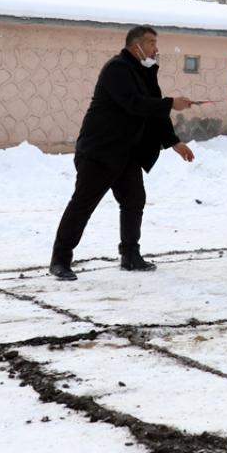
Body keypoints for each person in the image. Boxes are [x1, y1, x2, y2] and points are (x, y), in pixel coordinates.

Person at [48, 25, 196, 281]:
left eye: (155, 43)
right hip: (100, 151)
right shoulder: (116, 69)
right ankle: (60, 260)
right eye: (151, 42)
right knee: (83, 205)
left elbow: (154, 112)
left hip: (127, 152)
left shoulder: (146, 73)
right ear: (134, 45)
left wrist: (174, 142)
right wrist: (171, 103)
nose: (156, 48)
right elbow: (134, 104)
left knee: (134, 200)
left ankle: (130, 255)